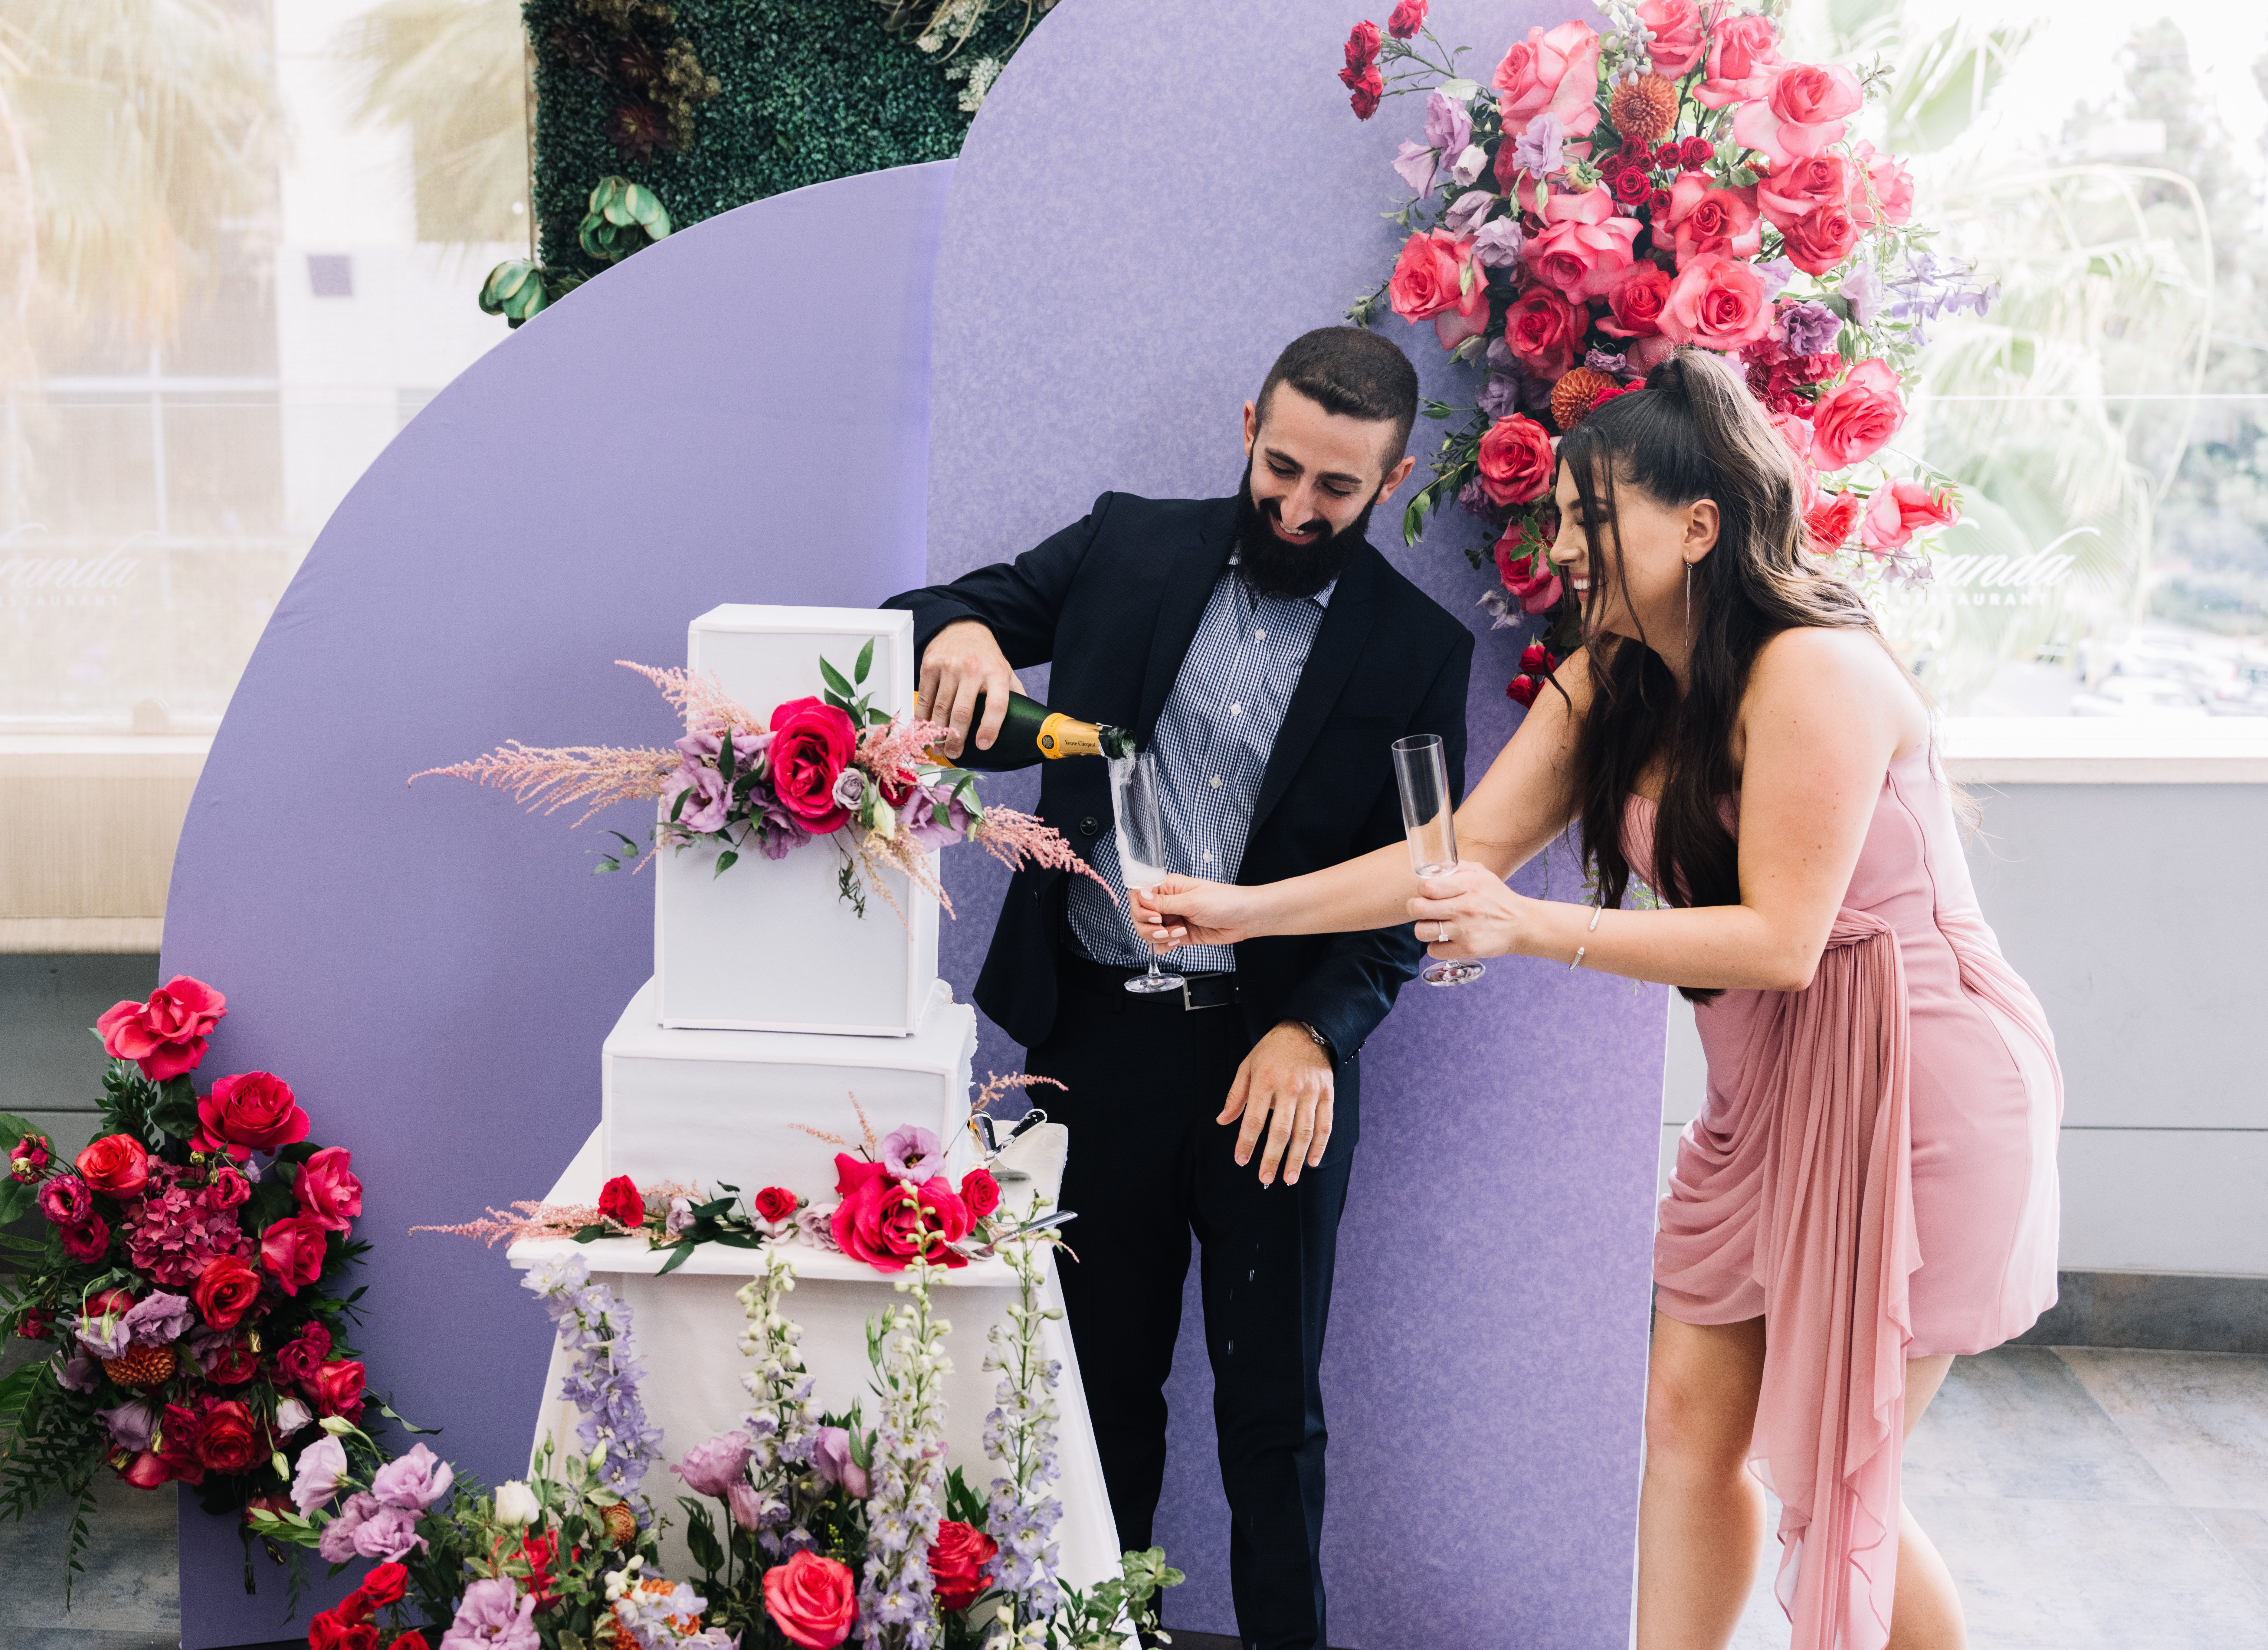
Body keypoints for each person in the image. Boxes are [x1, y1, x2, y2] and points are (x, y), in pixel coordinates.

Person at [1136, 350, 2062, 1650]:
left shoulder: (1815, 670)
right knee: (1685, 1425)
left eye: (1589, 516)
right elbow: (1448, 856)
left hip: (1915, 1084)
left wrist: (1530, 931)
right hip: (1763, 1099)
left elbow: (1782, 940)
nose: (1561, 546)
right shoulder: (1603, 678)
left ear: (1696, 524)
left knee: (1832, 1480)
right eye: (1559, 518)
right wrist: (1241, 909)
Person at [883, 326, 1474, 1650]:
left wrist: (1315, 1034)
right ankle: (1094, 1636)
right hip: (1095, 1045)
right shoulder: (1125, 543)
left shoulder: (1415, 649)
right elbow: (910, 617)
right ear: (1247, 422)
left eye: (1336, 488)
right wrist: (970, 633)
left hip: (1274, 1070)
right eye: (1281, 467)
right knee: (1095, 1394)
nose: (1296, 507)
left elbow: (1415, 886)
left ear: (1388, 479)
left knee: (1272, 1414)